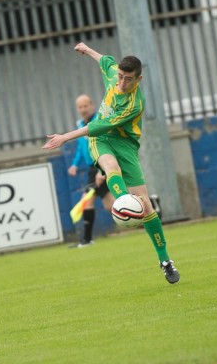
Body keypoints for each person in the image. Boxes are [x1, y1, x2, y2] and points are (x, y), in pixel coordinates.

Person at [43, 42, 180, 284]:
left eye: (128, 79)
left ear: (139, 79)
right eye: (120, 77)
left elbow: (99, 124)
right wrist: (87, 50)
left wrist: (65, 137)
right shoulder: (114, 73)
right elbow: (105, 60)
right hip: (101, 140)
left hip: (125, 144)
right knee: (110, 168)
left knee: (146, 206)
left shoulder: (133, 104)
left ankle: (165, 260)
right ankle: (122, 202)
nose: (122, 83)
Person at [67, 93, 113, 246]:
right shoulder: (81, 125)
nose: (83, 109)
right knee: (110, 206)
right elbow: (81, 149)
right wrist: (74, 164)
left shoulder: (98, 122)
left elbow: (106, 145)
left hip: (101, 165)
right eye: (80, 107)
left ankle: (86, 240)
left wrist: (102, 170)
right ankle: (147, 212)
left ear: (92, 105)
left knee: (87, 202)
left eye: (85, 105)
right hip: (91, 169)